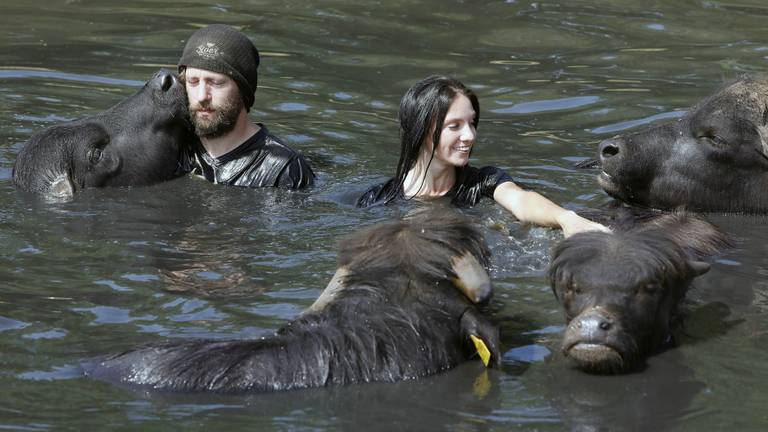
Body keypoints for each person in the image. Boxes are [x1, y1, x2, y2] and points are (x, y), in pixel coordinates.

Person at [356, 75, 608, 238]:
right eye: (454, 126)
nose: (470, 136)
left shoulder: (484, 182)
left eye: (472, 123)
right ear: (421, 131)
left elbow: (521, 201)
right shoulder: (377, 200)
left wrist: (566, 218)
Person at [177, 24, 314, 189]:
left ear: (243, 90)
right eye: (193, 82)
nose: (201, 96)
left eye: (216, 83)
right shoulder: (172, 145)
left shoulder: (283, 169)